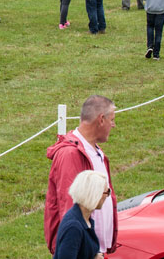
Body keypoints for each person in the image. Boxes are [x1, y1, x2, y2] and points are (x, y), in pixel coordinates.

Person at [45, 95, 117, 256]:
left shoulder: (95, 151)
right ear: (101, 119)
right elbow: (68, 207)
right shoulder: (70, 154)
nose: (114, 125)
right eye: (112, 120)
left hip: (93, 249)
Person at [52, 170, 110, 259]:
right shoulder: (73, 227)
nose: (107, 196)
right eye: (106, 192)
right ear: (94, 194)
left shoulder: (85, 220)